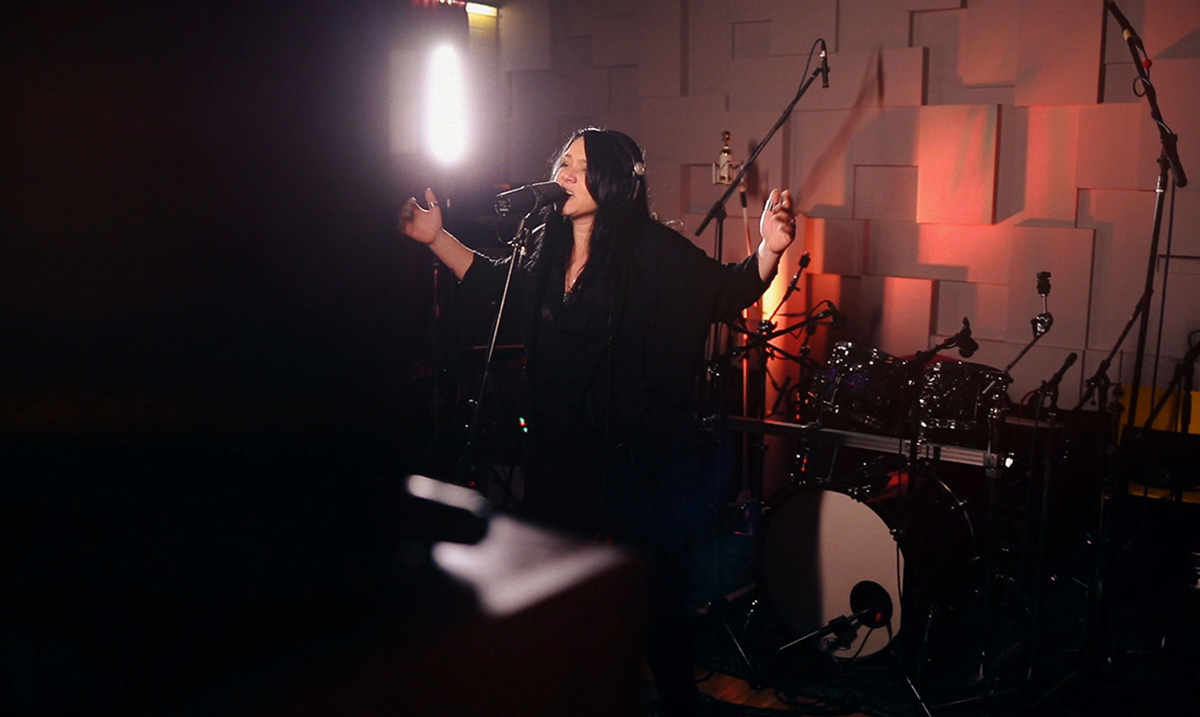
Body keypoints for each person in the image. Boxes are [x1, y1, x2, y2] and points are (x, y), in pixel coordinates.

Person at [400, 127, 795, 716]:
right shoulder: (544, 245)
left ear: (613, 181)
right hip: (561, 451)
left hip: (637, 456)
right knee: (549, 584)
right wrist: (436, 238)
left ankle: (678, 703)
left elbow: (725, 290)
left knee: (654, 598)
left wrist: (769, 250)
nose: (565, 175)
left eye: (581, 167)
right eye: (563, 162)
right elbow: (494, 282)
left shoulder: (654, 250)